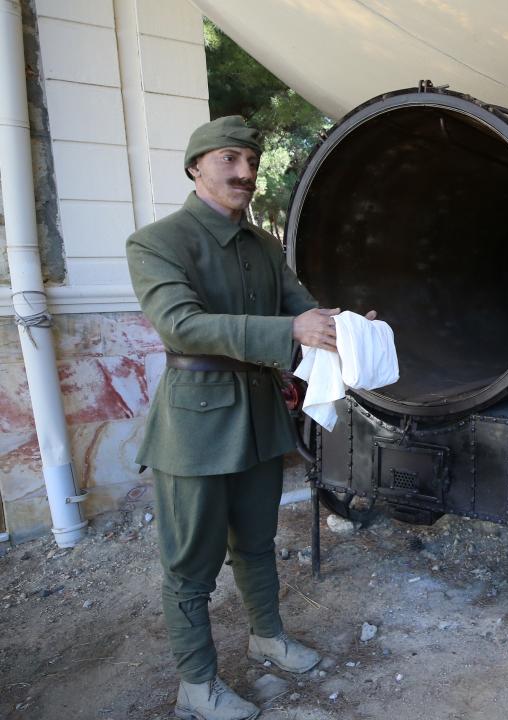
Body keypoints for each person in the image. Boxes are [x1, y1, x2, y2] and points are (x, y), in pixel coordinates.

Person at [126, 116, 370, 720]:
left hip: (260, 415)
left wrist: (339, 323)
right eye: (230, 159)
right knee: (190, 566)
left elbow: (297, 305)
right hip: (195, 425)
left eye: (251, 163)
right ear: (196, 166)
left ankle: (266, 635)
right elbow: (179, 325)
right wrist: (290, 329)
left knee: (257, 544)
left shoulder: (262, 244)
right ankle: (196, 682)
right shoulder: (158, 241)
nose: (245, 173)